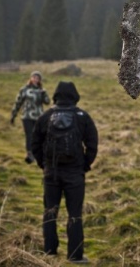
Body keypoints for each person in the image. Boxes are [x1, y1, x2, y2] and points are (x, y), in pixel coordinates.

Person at [31, 81, 98, 264]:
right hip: (75, 174)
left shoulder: (46, 116)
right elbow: (92, 144)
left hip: (51, 173)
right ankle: (75, 256)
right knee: (74, 213)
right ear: (75, 96)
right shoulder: (82, 116)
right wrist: (84, 165)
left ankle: (49, 252)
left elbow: (34, 143)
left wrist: (43, 165)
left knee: (50, 211)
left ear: (56, 96)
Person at [11, 71, 50, 164]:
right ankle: (29, 154)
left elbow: (47, 102)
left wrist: (44, 94)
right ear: (31, 78)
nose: (35, 79)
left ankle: (39, 154)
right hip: (27, 116)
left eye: (38, 78)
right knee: (29, 135)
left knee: (38, 135)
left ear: (40, 80)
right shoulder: (24, 89)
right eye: (34, 77)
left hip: (39, 117)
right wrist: (13, 115)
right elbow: (18, 102)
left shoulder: (42, 90)